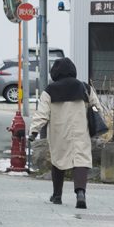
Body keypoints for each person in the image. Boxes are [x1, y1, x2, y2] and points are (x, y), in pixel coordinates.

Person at [34, 56, 98, 210]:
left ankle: (57, 196)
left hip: (59, 131)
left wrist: (33, 131)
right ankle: (80, 194)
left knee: (58, 160)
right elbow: (97, 106)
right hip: (81, 130)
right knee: (81, 160)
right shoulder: (84, 87)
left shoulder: (49, 90)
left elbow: (42, 114)